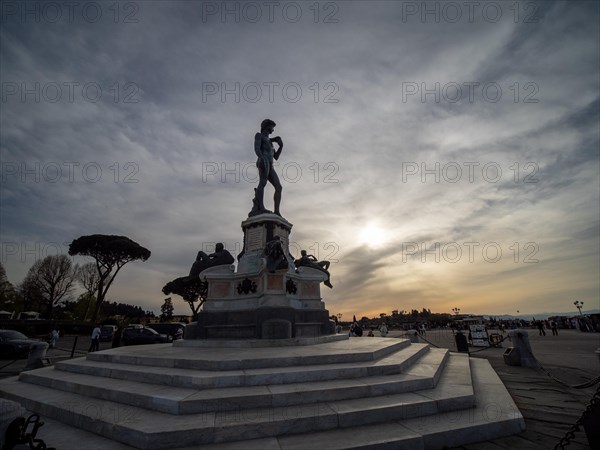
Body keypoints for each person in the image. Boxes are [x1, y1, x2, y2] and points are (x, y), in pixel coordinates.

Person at [250, 119, 283, 216]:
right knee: (263, 182)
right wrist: (262, 158)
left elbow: (276, 157)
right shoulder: (259, 136)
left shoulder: (270, 142)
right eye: (272, 127)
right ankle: (260, 207)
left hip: (271, 164)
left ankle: (277, 211)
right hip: (263, 161)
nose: (273, 130)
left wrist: (281, 146)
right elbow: (256, 149)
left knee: (278, 187)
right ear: (267, 126)